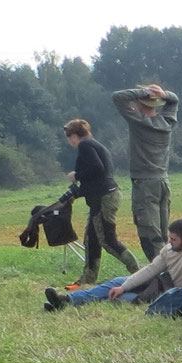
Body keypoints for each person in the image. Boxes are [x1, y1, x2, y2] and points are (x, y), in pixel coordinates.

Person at [44, 218, 182, 310]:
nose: (169, 242)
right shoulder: (170, 248)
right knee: (116, 284)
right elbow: (151, 269)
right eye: (169, 238)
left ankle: (68, 306)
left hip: (167, 293)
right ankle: (66, 300)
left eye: (173, 239)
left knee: (121, 298)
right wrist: (125, 285)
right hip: (156, 282)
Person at [61, 118, 139, 285]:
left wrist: (77, 176)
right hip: (103, 196)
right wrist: (78, 193)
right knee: (92, 239)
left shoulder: (85, 146)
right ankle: (87, 280)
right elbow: (97, 178)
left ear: (74, 135)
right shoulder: (94, 144)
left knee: (108, 241)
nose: (69, 141)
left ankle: (138, 273)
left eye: (69, 136)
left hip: (104, 198)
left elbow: (97, 169)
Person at [111, 83, 179, 261]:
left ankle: (160, 275)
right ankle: (171, 270)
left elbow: (118, 97)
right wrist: (164, 94)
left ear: (141, 104)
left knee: (150, 234)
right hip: (163, 182)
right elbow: (174, 101)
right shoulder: (167, 123)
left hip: (144, 185)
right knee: (164, 234)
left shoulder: (140, 122)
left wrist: (144, 92)